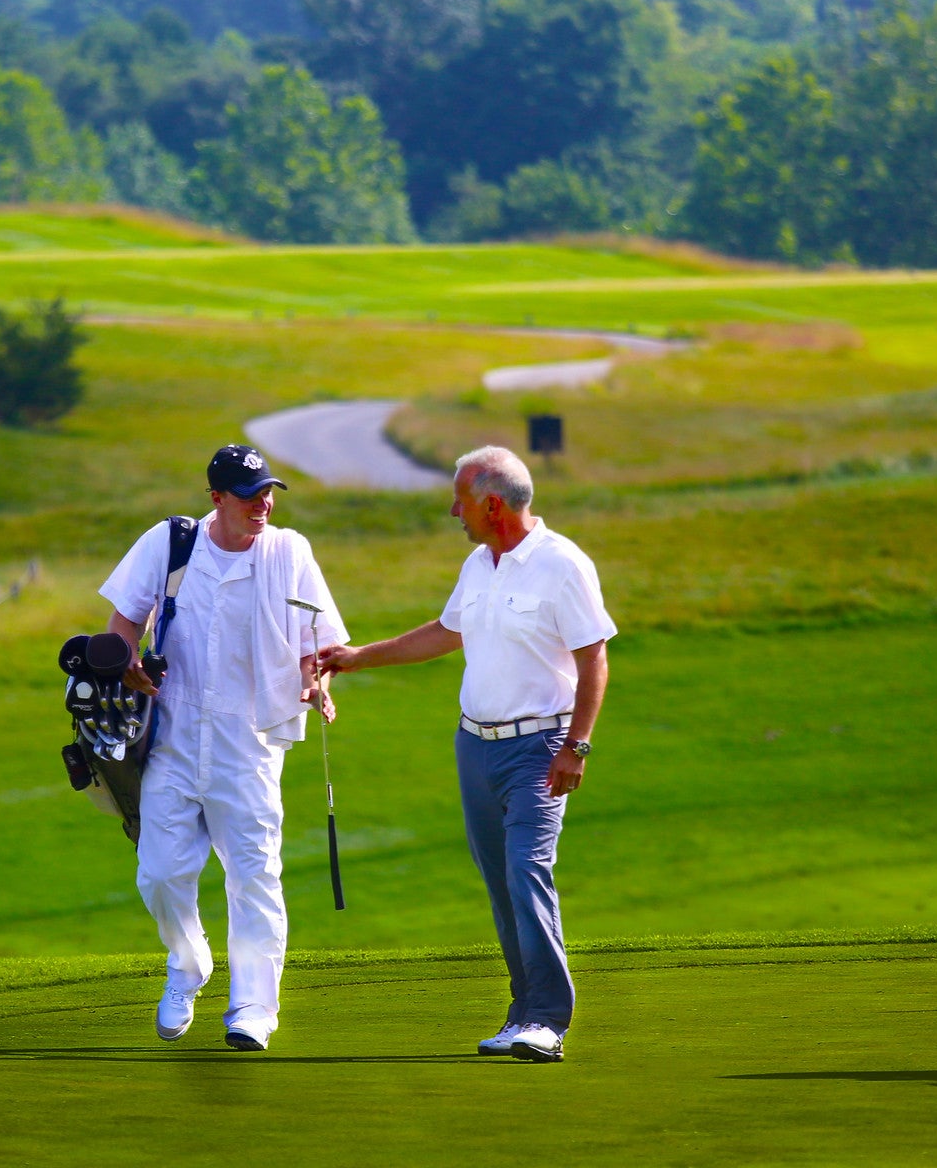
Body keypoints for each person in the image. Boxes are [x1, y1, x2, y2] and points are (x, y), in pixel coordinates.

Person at [318, 445, 614, 1063]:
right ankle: (521, 1012)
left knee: (525, 872)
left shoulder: (563, 565)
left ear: (492, 503)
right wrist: (357, 656)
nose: (454, 511)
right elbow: (446, 632)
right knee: (500, 885)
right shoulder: (480, 564)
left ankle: (547, 1020)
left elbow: (594, 660)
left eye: (460, 500)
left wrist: (576, 747)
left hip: (540, 749)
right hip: (474, 746)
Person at [101, 444, 347, 1052]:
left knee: (255, 874)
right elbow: (124, 620)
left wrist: (317, 683)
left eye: (268, 492)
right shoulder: (171, 543)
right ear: (217, 499)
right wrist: (128, 660)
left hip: (251, 738)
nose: (263, 503)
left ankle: (254, 1008)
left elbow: (321, 643)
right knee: (158, 875)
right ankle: (188, 966)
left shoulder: (291, 553)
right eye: (249, 494)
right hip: (174, 734)